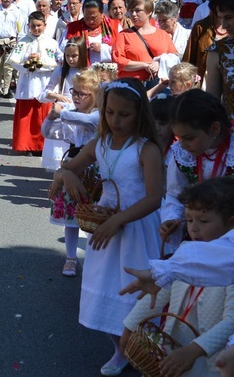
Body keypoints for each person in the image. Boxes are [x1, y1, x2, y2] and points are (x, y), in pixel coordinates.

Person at [48, 78, 163, 377]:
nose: (115, 120)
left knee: (133, 292)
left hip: (135, 228)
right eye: (110, 112)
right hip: (104, 227)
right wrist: (65, 176)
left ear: (140, 114)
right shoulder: (101, 143)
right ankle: (120, 350)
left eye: (124, 114)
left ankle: (146, 348)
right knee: (104, 287)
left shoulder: (146, 149)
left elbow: (154, 198)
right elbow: (70, 166)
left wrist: (118, 220)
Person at [121, 177, 234, 377]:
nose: (194, 228)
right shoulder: (185, 252)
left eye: (204, 221)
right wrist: (130, 326)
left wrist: (194, 350)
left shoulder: (229, 268)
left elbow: (231, 321)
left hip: (210, 358)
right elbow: (159, 291)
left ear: (231, 225)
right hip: (173, 344)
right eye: (189, 219)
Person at [158, 90, 233, 252]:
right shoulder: (182, 155)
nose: (183, 144)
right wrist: (172, 220)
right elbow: (174, 194)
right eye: (179, 137)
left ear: (214, 129)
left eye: (189, 138)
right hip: (196, 237)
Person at [43, 68, 101, 276]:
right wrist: (51, 117)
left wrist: (62, 113)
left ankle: (96, 258)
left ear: (93, 95)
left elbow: (87, 122)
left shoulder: (97, 115)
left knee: (92, 214)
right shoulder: (71, 112)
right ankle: (70, 258)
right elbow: (48, 133)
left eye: (81, 93)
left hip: (93, 166)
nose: (76, 97)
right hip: (71, 161)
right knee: (71, 214)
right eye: (74, 92)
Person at [9, 11, 59, 154]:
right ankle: (27, 145)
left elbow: (55, 62)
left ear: (45, 25)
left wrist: (41, 60)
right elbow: (13, 61)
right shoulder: (23, 41)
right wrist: (27, 61)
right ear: (28, 26)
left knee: (42, 115)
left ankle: (42, 145)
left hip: (44, 82)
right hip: (28, 82)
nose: (36, 29)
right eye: (33, 26)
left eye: (39, 25)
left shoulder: (51, 43)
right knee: (27, 116)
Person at [38, 39, 88, 169]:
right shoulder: (60, 71)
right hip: (63, 112)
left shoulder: (87, 72)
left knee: (75, 150)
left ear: (82, 54)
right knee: (60, 148)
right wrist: (56, 95)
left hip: (80, 113)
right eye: (67, 56)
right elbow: (45, 92)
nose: (70, 59)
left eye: (74, 56)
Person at [112, 0, 178, 83]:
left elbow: (174, 58)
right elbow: (118, 62)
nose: (134, 14)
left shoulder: (163, 34)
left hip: (158, 87)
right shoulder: (123, 35)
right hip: (132, 86)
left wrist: (160, 63)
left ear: (149, 12)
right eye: (131, 11)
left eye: (138, 10)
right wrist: (145, 65)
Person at [204, 0, 234, 119]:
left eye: (228, 17)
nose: (224, 25)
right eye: (220, 17)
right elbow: (212, 104)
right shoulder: (217, 51)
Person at [0, 0, 27, 98]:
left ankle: (6, 90)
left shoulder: (16, 11)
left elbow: (20, 27)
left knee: (8, 68)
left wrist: (19, 41)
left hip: (11, 42)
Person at [63, 0, 117, 65]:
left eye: (94, 17)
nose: (91, 21)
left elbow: (121, 52)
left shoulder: (114, 26)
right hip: (82, 71)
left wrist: (103, 49)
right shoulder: (73, 28)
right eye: (87, 17)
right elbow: (61, 50)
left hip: (108, 71)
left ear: (102, 13)